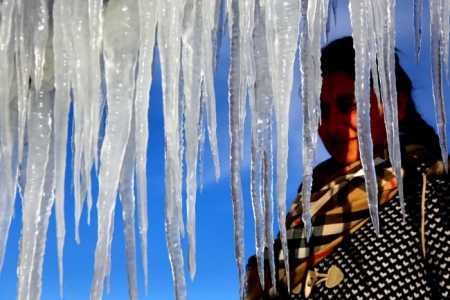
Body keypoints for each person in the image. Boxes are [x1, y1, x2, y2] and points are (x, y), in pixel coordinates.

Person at [244, 36, 450, 299]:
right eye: (321, 112)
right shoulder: (306, 209)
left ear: (396, 105)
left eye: (349, 105)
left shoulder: (432, 193)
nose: (332, 126)